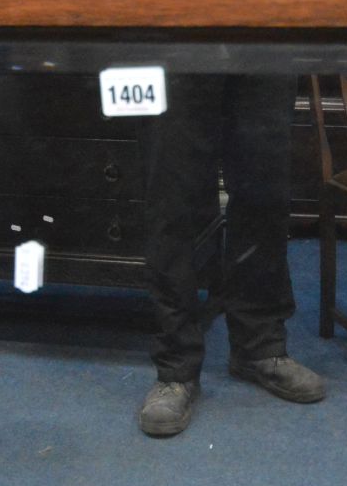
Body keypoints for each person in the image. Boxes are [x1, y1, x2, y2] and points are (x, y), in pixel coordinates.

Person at [138, 71, 326, 437]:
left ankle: (259, 347)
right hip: (171, 34)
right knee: (170, 201)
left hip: (259, 32)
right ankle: (175, 368)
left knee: (264, 193)